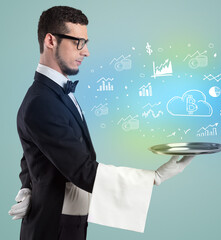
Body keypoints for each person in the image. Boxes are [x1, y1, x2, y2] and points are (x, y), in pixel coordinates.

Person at [8, 6, 194, 240]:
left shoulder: (52, 93)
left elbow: (33, 152)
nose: (86, 52)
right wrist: (154, 177)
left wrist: (27, 186)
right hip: (54, 227)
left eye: (85, 42)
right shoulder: (42, 102)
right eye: (78, 42)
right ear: (50, 40)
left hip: (67, 221)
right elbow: (81, 170)